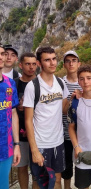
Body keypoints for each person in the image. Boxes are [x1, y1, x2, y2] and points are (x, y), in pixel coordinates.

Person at [23, 46, 70, 189]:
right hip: (41, 143)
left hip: (58, 141)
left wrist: (77, 97)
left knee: (57, 179)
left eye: (54, 59)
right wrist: (34, 150)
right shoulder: (33, 86)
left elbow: (64, 109)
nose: (52, 63)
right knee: (39, 181)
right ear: (39, 63)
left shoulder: (61, 83)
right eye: (47, 60)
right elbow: (28, 121)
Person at [14, 52, 38, 189]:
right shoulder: (14, 84)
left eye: (34, 64)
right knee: (22, 167)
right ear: (21, 65)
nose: (31, 67)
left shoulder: (40, 83)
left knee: (37, 170)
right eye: (28, 64)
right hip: (20, 135)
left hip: (38, 134)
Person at [0, 43, 21, 188]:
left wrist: (17, 144)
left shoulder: (10, 83)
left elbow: (13, 113)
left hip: (5, 148)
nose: (1, 57)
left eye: (2, 53)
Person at [62, 50, 82, 189]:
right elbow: (62, 109)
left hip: (82, 133)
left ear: (79, 63)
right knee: (66, 166)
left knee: (82, 165)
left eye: (74, 60)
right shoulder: (59, 83)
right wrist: (71, 99)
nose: (71, 63)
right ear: (64, 65)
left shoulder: (86, 81)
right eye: (68, 61)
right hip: (63, 132)